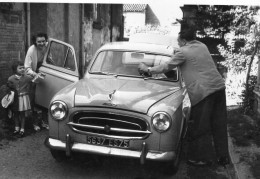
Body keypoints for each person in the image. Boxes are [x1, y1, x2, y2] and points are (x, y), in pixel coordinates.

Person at [138, 28, 230, 167]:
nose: (178, 44)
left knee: (201, 126)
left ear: (184, 40)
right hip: (218, 87)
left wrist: (148, 69)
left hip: (203, 91)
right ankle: (223, 158)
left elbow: (166, 66)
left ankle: (201, 159)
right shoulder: (202, 46)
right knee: (219, 123)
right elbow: (192, 60)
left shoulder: (183, 52)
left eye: (179, 42)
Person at [24, 32, 49, 131]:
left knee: (45, 99)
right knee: (35, 101)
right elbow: (27, 68)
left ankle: (44, 122)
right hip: (33, 77)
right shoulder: (31, 50)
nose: (42, 43)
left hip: (44, 75)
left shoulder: (47, 46)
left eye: (43, 41)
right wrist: (35, 74)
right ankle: (34, 123)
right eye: (39, 42)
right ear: (35, 42)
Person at [7, 61, 34, 138]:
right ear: (15, 69)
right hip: (15, 98)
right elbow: (8, 87)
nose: (22, 69)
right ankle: (16, 128)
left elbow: (34, 78)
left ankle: (22, 129)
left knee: (22, 114)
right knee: (15, 113)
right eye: (20, 68)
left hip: (23, 97)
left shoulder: (27, 77)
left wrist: (34, 75)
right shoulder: (11, 78)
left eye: (23, 68)